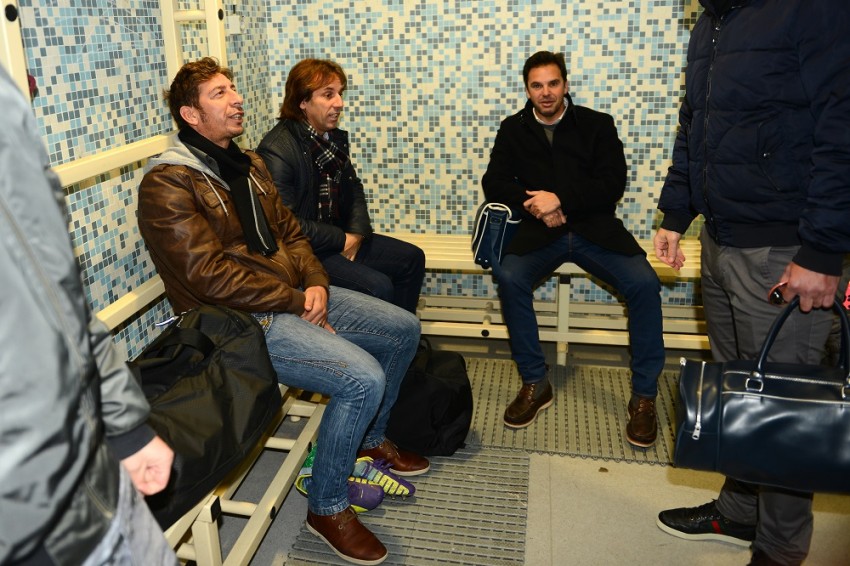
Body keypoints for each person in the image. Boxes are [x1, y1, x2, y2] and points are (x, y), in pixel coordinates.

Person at [137, 57, 428, 566]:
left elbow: (291, 233)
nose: (237, 99)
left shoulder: (247, 164)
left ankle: (369, 441)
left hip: (291, 294)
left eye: (233, 88)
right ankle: (326, 508)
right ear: (190, 114)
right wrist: (297, 299)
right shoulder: (168, 184)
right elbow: (208, 277)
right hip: (237, 324)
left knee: (403, 327)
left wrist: (316, 282)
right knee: (361, 379)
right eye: (220, 94)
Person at [652, 1, 850, 564]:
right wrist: (675, 214)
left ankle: (779, 550)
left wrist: (822, 251)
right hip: (719, 241)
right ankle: (739, 513)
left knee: (784, 415)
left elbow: (842, 126)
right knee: (741, 395)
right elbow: (694, 125)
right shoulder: (711, 23)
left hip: (784, 252)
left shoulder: (813, 9)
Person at [0, 66, 177, 565]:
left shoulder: (5, 108)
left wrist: (126, 429)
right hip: (33, 528)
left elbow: (58, 296)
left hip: (95, 483)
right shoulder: (173, 179)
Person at [481, 51, 665, 447]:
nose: (546, 92)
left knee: (645, 284)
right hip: (539, 232)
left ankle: (644, 397)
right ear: (527, 90)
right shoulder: (513, 128)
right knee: (509, 276)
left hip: (594, 230)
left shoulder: (597, 124)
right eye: (537, 85)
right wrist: (536, 206)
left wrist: (560, 199)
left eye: (553, 83)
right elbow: (494, 182)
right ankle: (535, 382)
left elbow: (612, 183)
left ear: (565, 85)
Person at [256, 58, 426, 314]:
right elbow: (286, 224)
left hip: (338, 237)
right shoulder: (277, 150)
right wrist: (341, 239)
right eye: (328, 95)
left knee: (411, 259)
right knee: (378, 286)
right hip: (306, 251)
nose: (339, 103)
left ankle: (404, 333)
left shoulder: (329, 139)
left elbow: (353, 188)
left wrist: (356, 235)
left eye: (339, 93)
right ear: (302, 101)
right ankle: (378, 337)